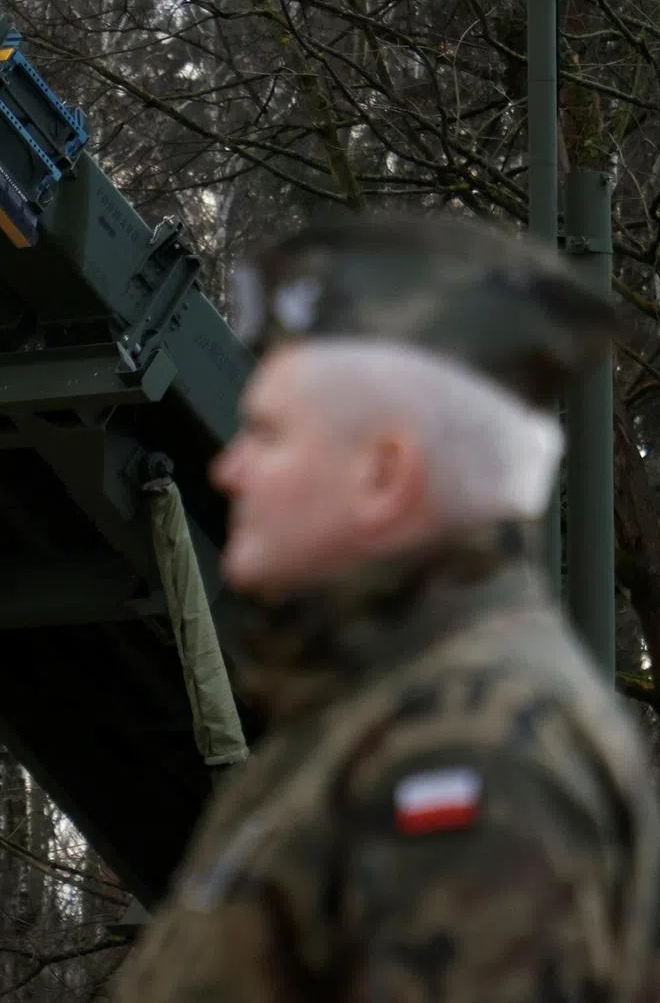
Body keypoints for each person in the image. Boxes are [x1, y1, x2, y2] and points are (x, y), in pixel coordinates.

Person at [109, 212, 660, 1003]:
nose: (231, 468)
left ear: (384, 475)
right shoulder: (372, 717)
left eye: (267, 433)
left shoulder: (474, 752)